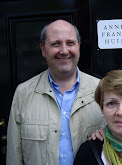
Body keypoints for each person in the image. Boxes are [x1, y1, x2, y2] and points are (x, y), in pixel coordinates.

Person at [6, 19, 105, 165]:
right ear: (43, 49)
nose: (64, 51)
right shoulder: (24, 93)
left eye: (70, 43)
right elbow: (14, 155)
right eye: (56, 44)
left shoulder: (103, 90)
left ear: (78, 46)